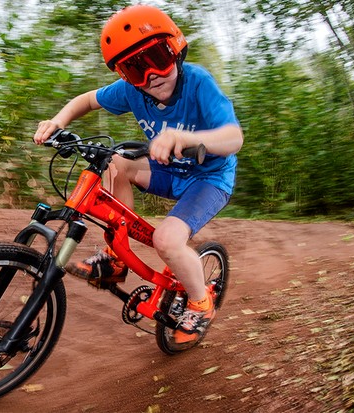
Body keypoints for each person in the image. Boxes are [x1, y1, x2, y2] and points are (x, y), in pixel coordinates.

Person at [33, 4, 243, 344]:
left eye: (157, 59)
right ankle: (117, 258)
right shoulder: (133, 91)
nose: (151, 76)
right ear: (125, 77)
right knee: (113, 161)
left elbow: (234, 138)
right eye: (134, 69)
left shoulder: (198, 83)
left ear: (176, 50)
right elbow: (86, 100)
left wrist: (185, 137)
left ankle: (201, 303)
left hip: (209, 179)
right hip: (168, 171)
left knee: (167, 241)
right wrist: (58, 121)